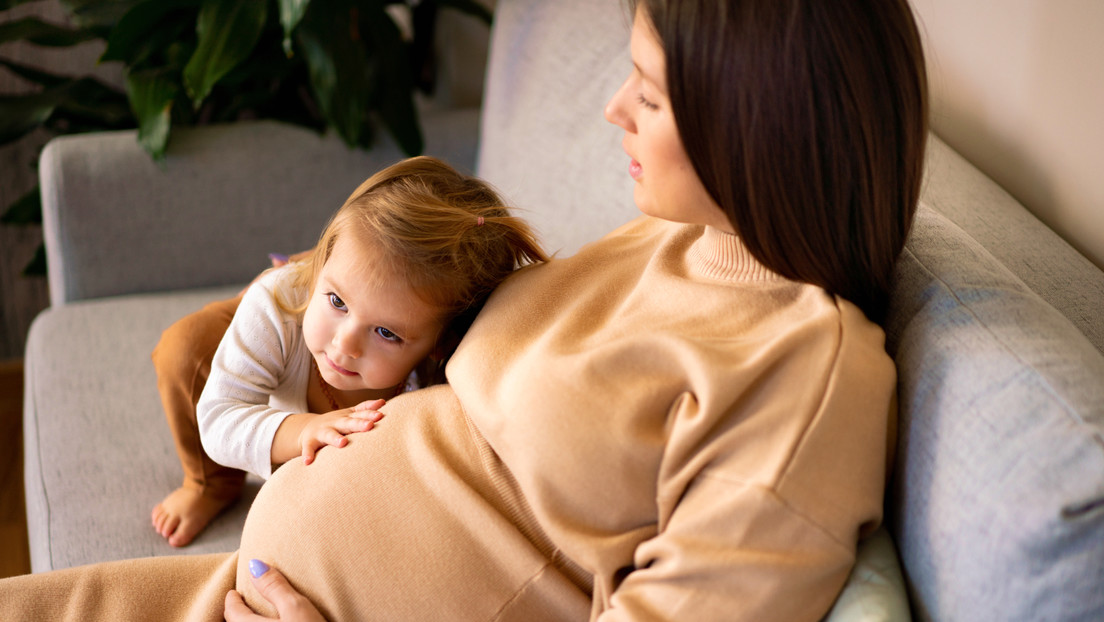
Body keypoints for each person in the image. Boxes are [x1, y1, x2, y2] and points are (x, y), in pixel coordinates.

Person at [0, 0, 927, 620]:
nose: (612, 109)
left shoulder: (803, 373)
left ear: (755, 122)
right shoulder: (681, 238)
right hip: (237, 587)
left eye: (648, 93)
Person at [151, 154, 548, 547]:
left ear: (438, 346)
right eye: (339, 302)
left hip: (331, 294)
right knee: (186, 350)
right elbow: (219, 419)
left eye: (385, 333)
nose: (344, 345)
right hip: (293, 310)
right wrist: (305, 428)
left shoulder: (441, 373)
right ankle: (209, 484)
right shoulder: (275, 306)